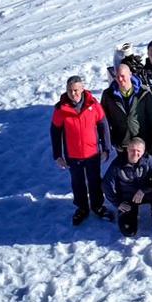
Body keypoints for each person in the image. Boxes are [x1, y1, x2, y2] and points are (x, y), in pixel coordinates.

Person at [50, 75, 113, 225]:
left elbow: (103, 125)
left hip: (92, 153)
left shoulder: (93, 104)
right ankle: (82, 208)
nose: (74, 94)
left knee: (94, 181)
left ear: (82, 89)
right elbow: (55, 131)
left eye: (77, 90)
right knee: (77, 182)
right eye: (71, 91)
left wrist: (106, 148)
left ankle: (97, 206)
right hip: (73, 154)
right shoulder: (61, 109)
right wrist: (57, 155)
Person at [101, 63, 152, 166]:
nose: (120, 79)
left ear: (130, 74)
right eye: (117, 76)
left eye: (123, 76)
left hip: (144, 141)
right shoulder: (108, 95)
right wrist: (112, 141)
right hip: (123, 143)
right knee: (126, 174)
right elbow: (104, 120)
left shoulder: (143, 92)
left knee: (150, 171)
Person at [103, 138, 152, 237]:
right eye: (132, 150)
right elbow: (106, 184)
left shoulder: (148, 159)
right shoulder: (118, 163)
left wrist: (144, 190)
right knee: (129, 232)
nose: (135, 153)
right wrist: (117, 203)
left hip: (144, 193)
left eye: (138, 151)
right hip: (127, 197)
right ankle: (130, 215)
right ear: (127, 149)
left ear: (143, 151)